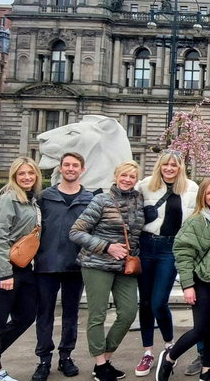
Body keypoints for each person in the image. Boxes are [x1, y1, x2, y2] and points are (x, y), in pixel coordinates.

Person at [154, 178, 210, 381]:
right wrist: (187, 285)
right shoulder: (195, 220)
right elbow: (182, 253)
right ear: (203, 196)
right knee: (201, 329)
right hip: (202, 281)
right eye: (209, 193)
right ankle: (169, 357)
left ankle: (206, 370)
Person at [69, 160, 145, 381]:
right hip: (97, 265)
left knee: (129, 312)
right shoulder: (101, 200)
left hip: (125, 267)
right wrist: (107, 246)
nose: (127, 179)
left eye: (132, 176)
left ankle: (106, 356)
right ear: (115, 176)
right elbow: (76, 232)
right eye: (124, 175)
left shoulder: (138, 200)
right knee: (98, 315)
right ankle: (100, 364)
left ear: (136, 180)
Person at [0, 157, 43, 381]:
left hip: (23, 267)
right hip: (3, 267)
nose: (27, 177)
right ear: (14, 176)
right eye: (21, 173)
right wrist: (5, 273)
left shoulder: (31, 200)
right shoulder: (9, 198)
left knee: (26, 316)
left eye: (31, 173)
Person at [134, 150, 199, 377]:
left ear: (180, 167)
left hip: (171, 249)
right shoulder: (144, 186)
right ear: (159, 166)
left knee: (159, 302)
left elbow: (197, 220)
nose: (169, 168)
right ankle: (148, 351)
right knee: (145, 302)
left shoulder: (191, 188)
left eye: (174, 165)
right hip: (146, 245)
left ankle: (170, 343)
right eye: (165, 164)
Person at [32, 152, 94, 381]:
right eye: (66, 165)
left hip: (75, 265)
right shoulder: (44, 197)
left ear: (82, 170)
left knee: (71, 314)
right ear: (60, 168)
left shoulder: (90, 199)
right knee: (45, 314)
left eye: (75, 165)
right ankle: (43, 360)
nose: (70, 168)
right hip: (46, 264)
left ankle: (66, 356)